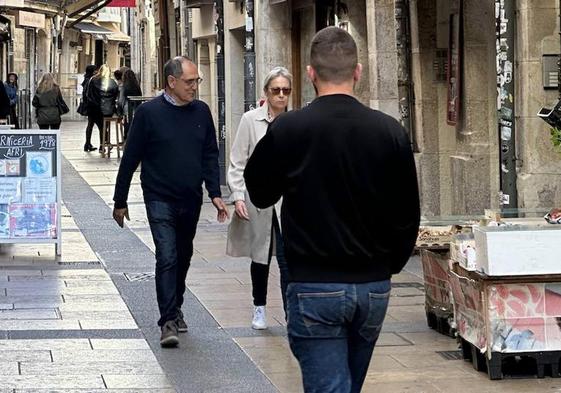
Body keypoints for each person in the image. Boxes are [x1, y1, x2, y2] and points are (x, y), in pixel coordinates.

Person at [244, 27, 421, 393]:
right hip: (372, 286)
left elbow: (259, 192)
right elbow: (408, 214)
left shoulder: (290, 129)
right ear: (357, 72)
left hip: (314, 281)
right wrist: (389, 266)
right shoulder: (389, 131)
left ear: (310, 74)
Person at [112, 56, 229, 348]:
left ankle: (175, 305)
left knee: (184, 254)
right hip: (158, 196)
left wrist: (215, 193)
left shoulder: (202, 112)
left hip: (190, 197)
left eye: (197, 81)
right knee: (167, 255)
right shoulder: (148, 114)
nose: (195, 87)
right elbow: (130, 157)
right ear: (171, 82)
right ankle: (167, 321)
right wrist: (120, 200)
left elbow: (210, 154)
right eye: (190, 82)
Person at [226, 66, 291, 330]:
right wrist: (238, 196)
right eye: (276, 90)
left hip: (288, 202)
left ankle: (290, 314)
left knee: (288, 259)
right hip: (259, 198)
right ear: (266, 92)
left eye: (286, 91)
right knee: (260, 255)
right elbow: (237, 161)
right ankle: (259, 307)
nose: (281, 96)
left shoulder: (296, 121)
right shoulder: (250, 120)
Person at [87, 64, 119, 153]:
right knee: (105, 127)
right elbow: (116, 95)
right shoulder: (112, 82)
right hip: (108, 109)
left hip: (95, 108)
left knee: (97, 126)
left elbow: (89, 94)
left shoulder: (93, 80)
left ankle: (100, 145)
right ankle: (102, 145)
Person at [118, 68, 142, 140]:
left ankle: (126, 138)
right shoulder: (137, 86)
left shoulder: (124, 86)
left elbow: (121, 100)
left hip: (127, 109)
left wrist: (119, 111)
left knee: (127, 124)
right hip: (137, 108)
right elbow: (140, 97)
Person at [81, 65, 100, 151]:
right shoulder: (91, 80)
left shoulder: (87, 79)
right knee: (101, 125)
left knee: (90, 125)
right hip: (93, 106)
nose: (97, 72)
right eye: (96, 70)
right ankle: (102, 144)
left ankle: (87, 144)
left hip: (89, 106)